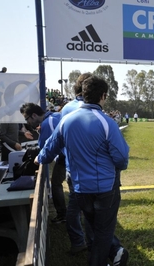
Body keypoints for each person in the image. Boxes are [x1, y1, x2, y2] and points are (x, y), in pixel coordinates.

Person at [35, 76, 130, 266]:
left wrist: (38, 159)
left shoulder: (66, 120)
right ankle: (104, 259)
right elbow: (121, 159)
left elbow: (48, 149)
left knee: (94, 227)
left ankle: (113, 254)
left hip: (79, 188)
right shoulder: (107, 122)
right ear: (103, 96)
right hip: (105, 188)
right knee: (103, 232)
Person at [60, 72, 93, 254]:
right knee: (87, 208)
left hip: (70, 165)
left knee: (74, 205)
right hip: (86, 167)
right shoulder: (86, 108)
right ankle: (86, 242)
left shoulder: (65, 108)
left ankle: (78, 241)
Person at [19, 103, 67, 223]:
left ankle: (63, 215)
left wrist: (38, 159)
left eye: (27, 119)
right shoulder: (55, 115)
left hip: (65, 157)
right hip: (70, 155)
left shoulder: (47, 123)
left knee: (56, 183)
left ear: (34, 115)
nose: (27, 122)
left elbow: (45, 147)